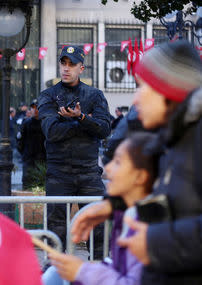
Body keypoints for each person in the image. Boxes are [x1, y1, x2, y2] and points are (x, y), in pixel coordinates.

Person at [71, 40, 202, 284]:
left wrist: (156, 242)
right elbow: (172, 203)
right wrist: (113, 205)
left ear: (169, 91)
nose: (136, 98)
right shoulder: (172, 138)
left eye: (143, 87)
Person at [43, 132, 157, 285]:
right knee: (53, 274)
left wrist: (82, 272)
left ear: (140, 177)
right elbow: (118, 266)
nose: (107, 168)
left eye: (118, 162)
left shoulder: (146, 224)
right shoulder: (127, 213)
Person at [38, 45, 111, 258]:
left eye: (72, 64)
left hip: (88, 172)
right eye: (63, 63)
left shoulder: (95, 95)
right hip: (59, 172)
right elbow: (51, 132)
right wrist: (84, 123)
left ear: (82, 68)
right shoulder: (48, 96)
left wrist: (78, 118)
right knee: (56, 227)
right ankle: (56, 271)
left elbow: (104, 129)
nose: (66, 69)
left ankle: (100, 271)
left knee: (98, 224)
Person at [17, 99, 46, 189]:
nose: (35, 110)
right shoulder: (26, 123)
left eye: (37, 107)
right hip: (29, 159)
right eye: (33, 108)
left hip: (43, 159)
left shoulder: (46, 123)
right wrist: (25, 154)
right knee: (27, 183)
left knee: (41, 184)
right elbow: (20, 140)